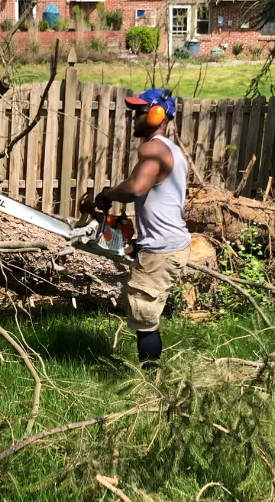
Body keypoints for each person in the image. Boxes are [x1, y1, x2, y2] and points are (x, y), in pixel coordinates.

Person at [94, 88, 191, 367]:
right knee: (147, 314)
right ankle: (151, 372)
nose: (133, 118)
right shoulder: (173, 151)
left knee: (144, 317)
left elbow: (136, 187)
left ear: (157, 114)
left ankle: (149, 379)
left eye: (139, 112)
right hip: (169, 244)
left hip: (161, 250)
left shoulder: (153, 148)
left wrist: (108, 194)